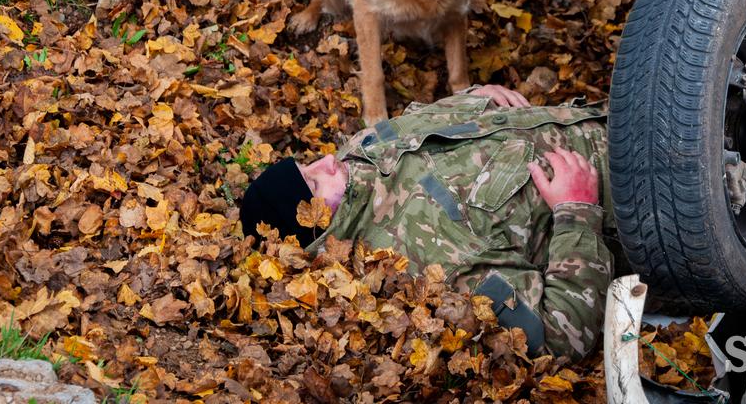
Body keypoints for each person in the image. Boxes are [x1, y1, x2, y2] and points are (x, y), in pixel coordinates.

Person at [240, 84, 612, 361]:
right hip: (647, 192)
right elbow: (559, 338)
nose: (328, 160)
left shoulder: (358, 155)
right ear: (320, 234)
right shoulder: (430, 256)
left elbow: (422, 126)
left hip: (617, 113)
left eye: (309, 165)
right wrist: (576, 213)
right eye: (316, 182)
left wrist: (471, 98)